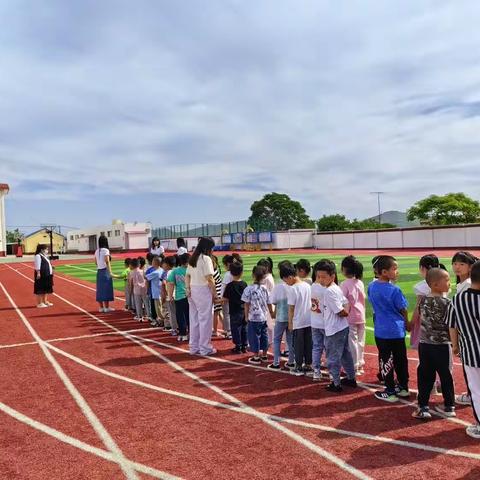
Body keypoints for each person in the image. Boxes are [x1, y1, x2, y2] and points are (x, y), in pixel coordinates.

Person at [412, 268, 455, 419]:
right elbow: (452, 325)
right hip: (443, 345)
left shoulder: (423, 300)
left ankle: (423, 406)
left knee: (425, 375)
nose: (450, 283)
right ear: (436, 284)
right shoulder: (448, 302)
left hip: (425, 345)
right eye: (447, 280)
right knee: (446, 375)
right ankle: (449, 405)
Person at [368, 255, 410, 402]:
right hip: (397, 330)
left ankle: (390, 389)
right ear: (385, 272)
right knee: (400, 359)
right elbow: (402, 309)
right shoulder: (395, 290)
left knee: (386, 360)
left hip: (382, 331)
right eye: (394, 269)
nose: (397, 271)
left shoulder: (371, 287)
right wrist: (407, 322)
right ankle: (403, 387)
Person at [447, 260, 480, 439]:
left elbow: (452, 325)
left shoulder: (458, 299)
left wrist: (455, 345)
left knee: (476, 390)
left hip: (471, 352)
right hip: (471, 351)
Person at [316, 259, 356, 392]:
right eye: (319, 277)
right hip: (342, 327)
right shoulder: (336, 288)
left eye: (323, 277)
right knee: (345, 353)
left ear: (332, 276)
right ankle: (351, 378)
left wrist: (345, 313)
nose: (320, 280)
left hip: (334, 329)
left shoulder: (329, 292)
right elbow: (346, 303)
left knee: (333, 357)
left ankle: (336, 383)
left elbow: (340, 311)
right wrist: (346, 312)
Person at [452, 251, 478, 407]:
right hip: (468, 333)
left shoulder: (468, 285)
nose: (457, 267)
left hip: (468, 334)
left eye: (462, 264)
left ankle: (471, 395)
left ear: (470, 267)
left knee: (471, 368)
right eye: (455, 263)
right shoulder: (463, 283)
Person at [185, 236, 219, 356]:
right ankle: (205, 347)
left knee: (194, 320)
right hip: (203, 290)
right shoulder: (206, 259)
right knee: (205, 320)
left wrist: (188, 289)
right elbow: (210, 278)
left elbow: (187, 275)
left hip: (193, 289)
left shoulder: (193, 258)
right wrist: (215, 294)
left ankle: (193, 347)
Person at [410, 254, 447, 350]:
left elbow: (418, 308)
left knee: (426, 350)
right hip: (441, 321)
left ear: (422, 268)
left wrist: (411, 323)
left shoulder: (421, 286)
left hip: (425, 323)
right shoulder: (443, 282)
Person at [282, 263, 312, 377]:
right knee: (309, 344)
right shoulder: (307, 285)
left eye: (286, 280)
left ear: (290, 277)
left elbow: (291, 308)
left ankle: (299, 366)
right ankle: (308, 365)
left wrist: (290, 323)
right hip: (309, 320)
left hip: (298, 321)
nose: (286, 283)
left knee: (298, 345)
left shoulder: (293, 289)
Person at [340, 256, 366, 376]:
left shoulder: (344, 284)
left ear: (344, 269)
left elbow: (341, 300)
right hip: (361, 315)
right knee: (360, 341)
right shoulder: (359, 282)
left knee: (352, 342)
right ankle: (360, 363)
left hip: (350, 316)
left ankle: (354, 365)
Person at [268, 261, 295, 370]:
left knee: (277, 339)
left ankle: (276, 362)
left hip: (280, 317)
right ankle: (291, 361)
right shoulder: (293, 285)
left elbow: (273, 301)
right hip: (291, 318)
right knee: (290, 340)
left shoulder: (279, 286)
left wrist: (273, 312)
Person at [241, 266, 270, 364]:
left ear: (253, 275)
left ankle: (256, 356)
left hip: (253, 317)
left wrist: (245, 316)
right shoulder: (265, 288)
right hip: (263, 316)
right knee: (264, 335)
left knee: (254, 337)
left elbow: (246, 304)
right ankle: (265, 355)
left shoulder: (248, 289)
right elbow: (269, 302)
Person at [223, 261, 248, 353]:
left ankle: (238, 346)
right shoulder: (244, 284)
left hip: (234, 311)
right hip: (243, 309)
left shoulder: (230, 285)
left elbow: (225, 298)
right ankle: (244, 345)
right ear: (242, 272)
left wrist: (216, 300)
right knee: (244, 328)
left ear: (231, 273)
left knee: (235, 329)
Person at [310, 261, 327, 381]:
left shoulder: (312, 286)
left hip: (314, 321)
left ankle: (316, 370)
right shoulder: (324, 288)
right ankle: (332, 371)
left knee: (316, 347)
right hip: (325, 323)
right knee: (328, 347)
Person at [169, 253, 190, 341]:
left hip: (179, 297)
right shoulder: (191, 270)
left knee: (180, 316)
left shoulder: (175, 271)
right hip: (190, 297)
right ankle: (191, 333)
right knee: (190, 316)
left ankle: (182, 333)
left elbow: (171, 284)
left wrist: (170, 296)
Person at [95, 235, 116, 313]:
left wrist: (100, 265)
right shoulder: (106, 250)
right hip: (105, 271)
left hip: (99, 271)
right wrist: (110, 272)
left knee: (100, 289)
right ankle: (106, 307)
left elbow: (95, 262)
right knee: (106, 288)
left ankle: (101, 307)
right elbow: (107, 261)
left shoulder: (97, 251)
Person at [145, 256, 165, 327]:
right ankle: (161, 320)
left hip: (156, 293)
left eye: (153, 261)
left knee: (158, 309)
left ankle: (162, 321)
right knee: (161, 307)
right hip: (161, 292)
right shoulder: (162, 270)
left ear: (155, 263)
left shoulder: (155, 272)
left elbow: (146, 277)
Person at [33, 243, 54, 308]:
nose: (47, 250)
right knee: (40, 288)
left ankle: (45, 301)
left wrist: (51, 267)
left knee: (46, 288)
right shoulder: (38, 256)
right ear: (42, 250)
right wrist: (38, 273)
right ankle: (39, 303)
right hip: (42, 274)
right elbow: (37, 265)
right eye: (46, 249)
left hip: (47, 274)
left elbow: (46, 264)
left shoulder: (44, 256)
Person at [212, 255, 227, 337]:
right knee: (217, 312)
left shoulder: (213, 272)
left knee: (217, 313)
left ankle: (220, 329)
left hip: (217, 293)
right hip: (218, 293)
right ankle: (220, 329)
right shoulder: (214, 271)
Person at [163, 256, 178, 336]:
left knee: (172, 314)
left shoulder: (168, 273)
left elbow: (166, 284)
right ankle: (180, 327)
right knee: (178, 313)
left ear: (167, 264)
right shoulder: (177, 270)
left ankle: (174, 329)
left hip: (171, 295)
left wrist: (167, 295)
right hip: (178, 295)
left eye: (164, 264)